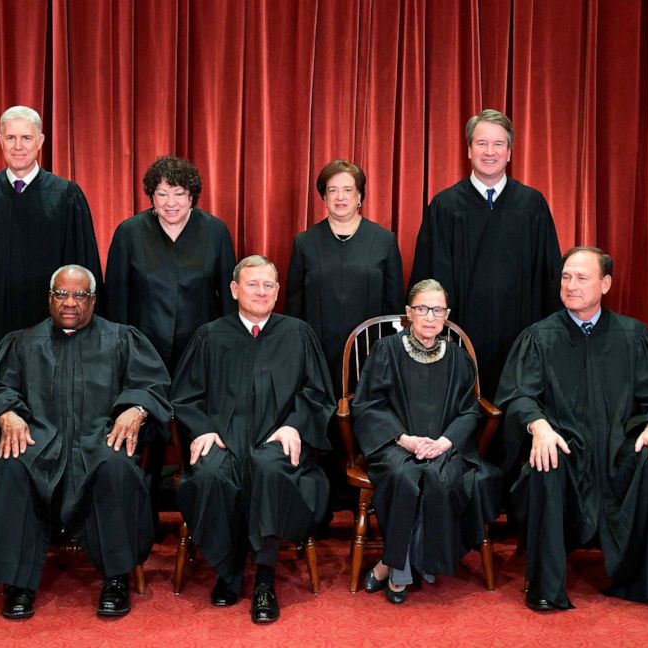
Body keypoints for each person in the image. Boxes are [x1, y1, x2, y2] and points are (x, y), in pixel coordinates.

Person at [494, 246, 648, 613]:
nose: (570, 285)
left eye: (581, 278)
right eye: (565, 277)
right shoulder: (539, 338)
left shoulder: (632, 336)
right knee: (546, 462)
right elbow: (517, 395)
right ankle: (544, 585)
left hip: (620, 451)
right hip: (566, 450)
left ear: (605, 284)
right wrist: (539, 426)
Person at [0, 264, 171, 620]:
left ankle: (115, 578)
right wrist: (7, 413)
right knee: (10, 469)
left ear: (93, 301)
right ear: (50, 299)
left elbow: (152, 384)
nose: (70, 303)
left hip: (98, 441)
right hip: (39, 443)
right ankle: (18, 584)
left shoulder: (121, 339)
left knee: (116, 468)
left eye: (79, 295)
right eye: (62, 294)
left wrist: (138, 409)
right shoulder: (22, 343)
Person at [171, 255, 335, 624]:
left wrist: (294, 426)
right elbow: (184, 397)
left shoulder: (298, 333)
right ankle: (227, 573)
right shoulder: (210, 336)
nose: (260, 292)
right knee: (211, 475)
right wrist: (205, 429)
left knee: (269, 469)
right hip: (224, 442)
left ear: (278, 292)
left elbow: (318, 394)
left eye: (268, 285)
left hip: (277, 443)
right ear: (234, 290)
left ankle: (263, 578)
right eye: (252, 284)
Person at [351, 280, 501, 603]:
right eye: (422, 308)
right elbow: (367, 405)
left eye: (438, 310)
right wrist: (404, 439)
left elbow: (470, 411)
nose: (430, 317)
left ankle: (389, 564)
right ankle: (401, 570)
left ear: (446, 315)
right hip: (395, 444)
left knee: (439, 477)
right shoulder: (386, 351)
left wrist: (446, 442)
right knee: (404, 475)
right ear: (409, 313)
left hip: (443, 447)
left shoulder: (459, 358)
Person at [105, 156, 237, 514]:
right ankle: (137, 509)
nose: (170, 202)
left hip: (201, 354)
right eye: (162, 194)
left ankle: (202, 507)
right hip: (143, 353)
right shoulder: (129, 233)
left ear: (193, 195)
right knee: (141, 433)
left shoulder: (215, 231)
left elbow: (227, 300)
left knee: (201, 430)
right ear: (151, 196)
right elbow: (116, 299)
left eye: (178, 193)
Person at [409, 109, 561, 402]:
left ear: (509, 152)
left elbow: (549, 275)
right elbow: (427, 277)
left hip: (521, 336)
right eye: (481, 143)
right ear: (468, 149)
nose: (489, 152)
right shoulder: (445, 206)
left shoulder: (532, 205)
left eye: (498, 144)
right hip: (460, 339)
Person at [285, 159, 403, 521]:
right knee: (320, 423)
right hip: (318, 354)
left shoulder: (383, 240)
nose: (340, 197)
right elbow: (293, 304)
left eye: (347, 190)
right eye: (332, 190)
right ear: (322, 196)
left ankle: (363, 502)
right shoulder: (305, 242)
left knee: (364, 422)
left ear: (360, 197)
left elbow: (394, 306)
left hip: (369, 358)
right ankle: (319, 506)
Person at [0, 105, 104, 353]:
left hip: (53, 334)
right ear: (0, 141)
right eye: (11, 138)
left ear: (40, 141)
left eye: (26, 138)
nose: (18, 146)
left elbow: (82, 267)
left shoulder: (66, 196)